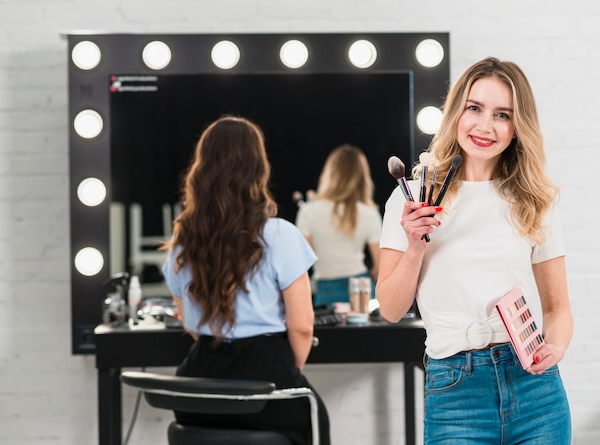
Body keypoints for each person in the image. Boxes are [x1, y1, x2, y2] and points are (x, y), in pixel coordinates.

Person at [376, 57, 572, 443]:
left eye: (503, 115)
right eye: (474, 108)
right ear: (456, 113)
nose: (485, 126)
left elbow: (557, 308)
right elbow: (391, 309)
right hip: (455, 394)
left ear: (517, 128)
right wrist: (415, 246)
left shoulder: (533, 202)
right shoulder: (412, 199)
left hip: (535, 391)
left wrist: (556, 346)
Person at [161, 115, 331, 445]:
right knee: (314, 416)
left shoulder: (184, 242)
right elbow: (302, 327)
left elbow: (190, 324)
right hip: (265, 382)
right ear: (258, 169)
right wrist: (284, 372)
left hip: (199, 387)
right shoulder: (279, 235)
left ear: (202, 170)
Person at [295, 144, 382, 307]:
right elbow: (381, 267)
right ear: (362, 176)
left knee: (330, 332)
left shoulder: (308, 211)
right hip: (361, 288)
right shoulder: (369, 213)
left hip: (325, 288)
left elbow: (301, 262)